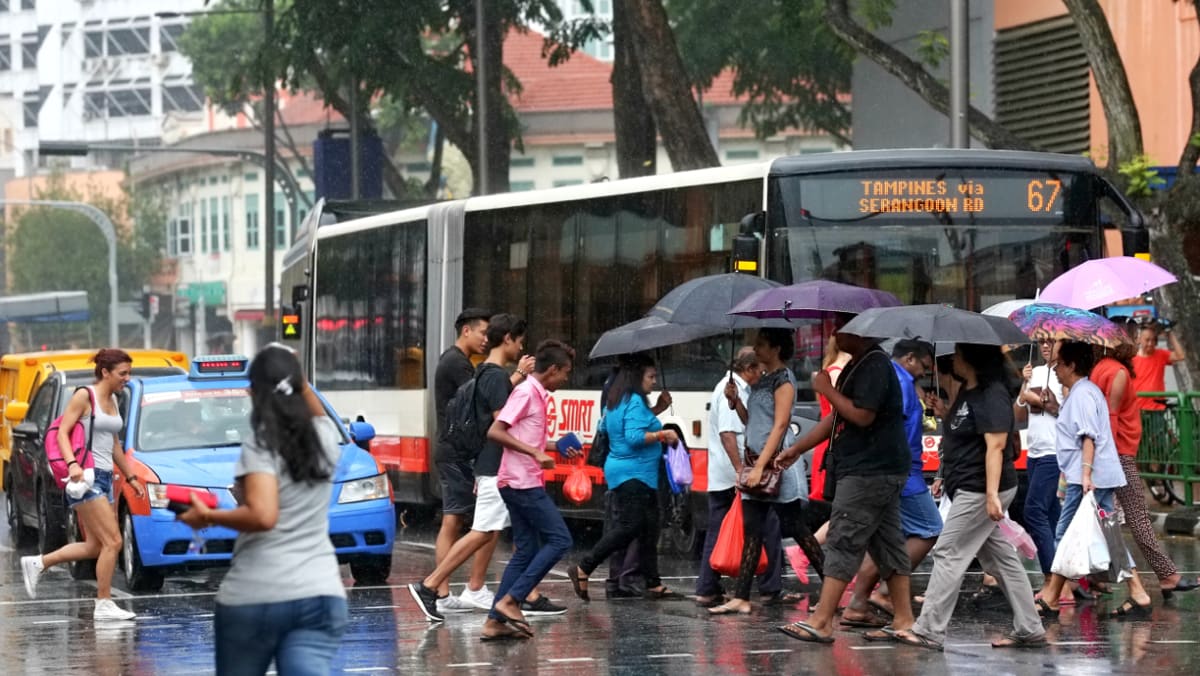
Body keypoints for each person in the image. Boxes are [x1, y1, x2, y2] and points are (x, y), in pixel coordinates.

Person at [178, 344, 348, 673]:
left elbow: (263, 515)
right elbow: (317, 412)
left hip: (256, 596)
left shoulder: (261, 443)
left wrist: (207, 516)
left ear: (252, 391)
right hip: (321, 593)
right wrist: (296, 375)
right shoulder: (325, 438)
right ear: (296, 385)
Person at [887, 344, 1044, 650]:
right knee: (1000, 558)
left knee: (948, 551)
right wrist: (944, 412)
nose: (953, 358)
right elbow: (965, 432)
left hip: (981, 488)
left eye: (958, 353)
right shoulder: (969, 392)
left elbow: (996, 446)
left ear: (972, 359)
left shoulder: (992, 393)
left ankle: (929, 629)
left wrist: (990, 495)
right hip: (970, 485)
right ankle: (1030, 627)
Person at [409, 314, 560, 621]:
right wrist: (536, 449)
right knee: (481, 532)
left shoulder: (490, 374)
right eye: (518, 341)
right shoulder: (493, 376)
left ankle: (508, 599)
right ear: (508, 339)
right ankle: (430, 585)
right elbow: (501, 426)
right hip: (494, 466)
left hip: (494, 466)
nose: (520, 348)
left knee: (494, 532)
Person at [774, 328, 911, 644]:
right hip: (876, 469)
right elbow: (837, 418)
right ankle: (904, 620)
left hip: (869, 470)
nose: (834, 334)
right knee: (888, 544)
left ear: (860, 330)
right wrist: (796, 449)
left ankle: (822, 620)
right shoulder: (858, 363)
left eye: (840, 327)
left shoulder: (875, 365)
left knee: (843, 539)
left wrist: (825, 389)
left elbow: (861, 416)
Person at [707, 328, 824, 617]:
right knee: (752, 530)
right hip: (755, 460)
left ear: (775, 348)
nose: (755, 348)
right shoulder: (762, 380)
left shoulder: (784, 381)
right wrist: (737, 404)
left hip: (776, 464)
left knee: (796, 527)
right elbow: (755, 423)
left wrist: (761, 466)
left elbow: (781, 425)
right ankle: (742, 597)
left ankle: (832, 587)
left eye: (760, 343)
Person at [21, 349, 143, 621]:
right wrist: (72, 464)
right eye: (123, 373)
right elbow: (63, 432)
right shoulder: (84, 396)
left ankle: (39, 562)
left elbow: (113, 445)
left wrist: (130, 477)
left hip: (104, 477)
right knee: (114, 541)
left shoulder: (114, 398)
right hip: (85, 477)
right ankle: (103, 603)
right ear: (105, 372)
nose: (127, 378)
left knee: (96, 546)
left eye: (128, 373)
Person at [1035, 341, 1153, 620]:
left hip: (1087, 478)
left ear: (1072, 365)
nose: (1056, 369)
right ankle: (1137, 592)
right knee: (1108, 535)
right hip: (1089, 476)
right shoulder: (1081, 393)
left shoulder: (1084, 394)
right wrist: (1054, 405)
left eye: (1060, 364)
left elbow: (1089, 436)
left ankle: (1052, 596)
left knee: (1065, 534)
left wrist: (1086, 474)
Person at [480, 340, 579, 641]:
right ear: (552, 370)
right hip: (520, 482)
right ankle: (512, 600)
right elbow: (495, 431)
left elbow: (524, 436)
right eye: (565, 373)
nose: (566, 379)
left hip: (522, 480)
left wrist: (555, 446)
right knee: (560, 540)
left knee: (526, 551)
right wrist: (535, 454)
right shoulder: (525, 392)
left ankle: (495, 622)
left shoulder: (536, 394)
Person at [841, 339, 941, 627]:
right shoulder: (899, 381)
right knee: (929, 529)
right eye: (923, 366)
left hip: (897, 469)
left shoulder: (899, 380)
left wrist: (931, 409)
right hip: (903, 471)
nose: (924, 372)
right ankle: (884, 594)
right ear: (909, 358)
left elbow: (916, 423)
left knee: (888, 539)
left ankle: (858, 603)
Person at [1091, 343, 1199, 599]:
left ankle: (1088, 578)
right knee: (1135, 518)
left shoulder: (1099, 370)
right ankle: (1166, 576)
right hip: (1118, 456)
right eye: (1132, 338)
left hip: (1111, 456)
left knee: (1102, 519)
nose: (1136, 345)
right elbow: (1111, 420)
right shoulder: (1116, 372)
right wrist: (1107, 461)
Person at [571, 354, 680, 601]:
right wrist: (664, 434)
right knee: (629, 527)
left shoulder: (618, 398)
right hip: (633, 474)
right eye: (650, 377)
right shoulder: (634, 402)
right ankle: (583, 567)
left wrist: (658, 409)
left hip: (634, 473)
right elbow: (633, 436)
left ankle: (652, 582)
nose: (654, 381)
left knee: (650, 526)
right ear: (636, 377)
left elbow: (619, 427)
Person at [695, 347, 786, 608]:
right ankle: (769, 587)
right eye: (759, 369)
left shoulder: (736, 390)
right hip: (731, 475)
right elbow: (728, 433)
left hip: (726, 474)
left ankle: (707, 587)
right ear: (748, 369)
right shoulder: (728, 389)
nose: (762, 374)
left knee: (720, 529)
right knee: (766, 525)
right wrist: (740, 471)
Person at [431, 308, 491, 610]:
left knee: (454, 520)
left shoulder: (453, 360)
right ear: (466, 331)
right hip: (455, 453)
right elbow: (480, 402)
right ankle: (443, 592)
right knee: (459, 521)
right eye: (482, 332)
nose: (486, 339)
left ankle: (442, 592)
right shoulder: (457, 364)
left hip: (450, 451)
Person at [1019, 339, 1065, 598]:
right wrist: (1024, 382)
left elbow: (1059, 409)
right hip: (1034, 450)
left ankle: (1051, 577)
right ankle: (1065, 578)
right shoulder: (1034, 370)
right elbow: (1021, 406)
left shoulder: (1064, 374)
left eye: (1052, 341)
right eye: (1042, 342)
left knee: (1033, 510)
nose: (1045, 346)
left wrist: (1032, 396)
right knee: (1050, 514)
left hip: (1053, 450)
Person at [810, 336, 850, 502]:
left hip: (828, 442)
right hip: (833, 443)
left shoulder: (830, 370)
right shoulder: (837, 372)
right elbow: (838, 413)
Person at [1131, 322, 1186, 410]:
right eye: (1147, 340)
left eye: (1153, 340)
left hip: (1157, 408)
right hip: (1138, 408)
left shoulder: (1161, 354)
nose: (1150, 343)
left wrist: (1169, 334)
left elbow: (1180, 356)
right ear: (1140, 339)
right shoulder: (1132, 358)